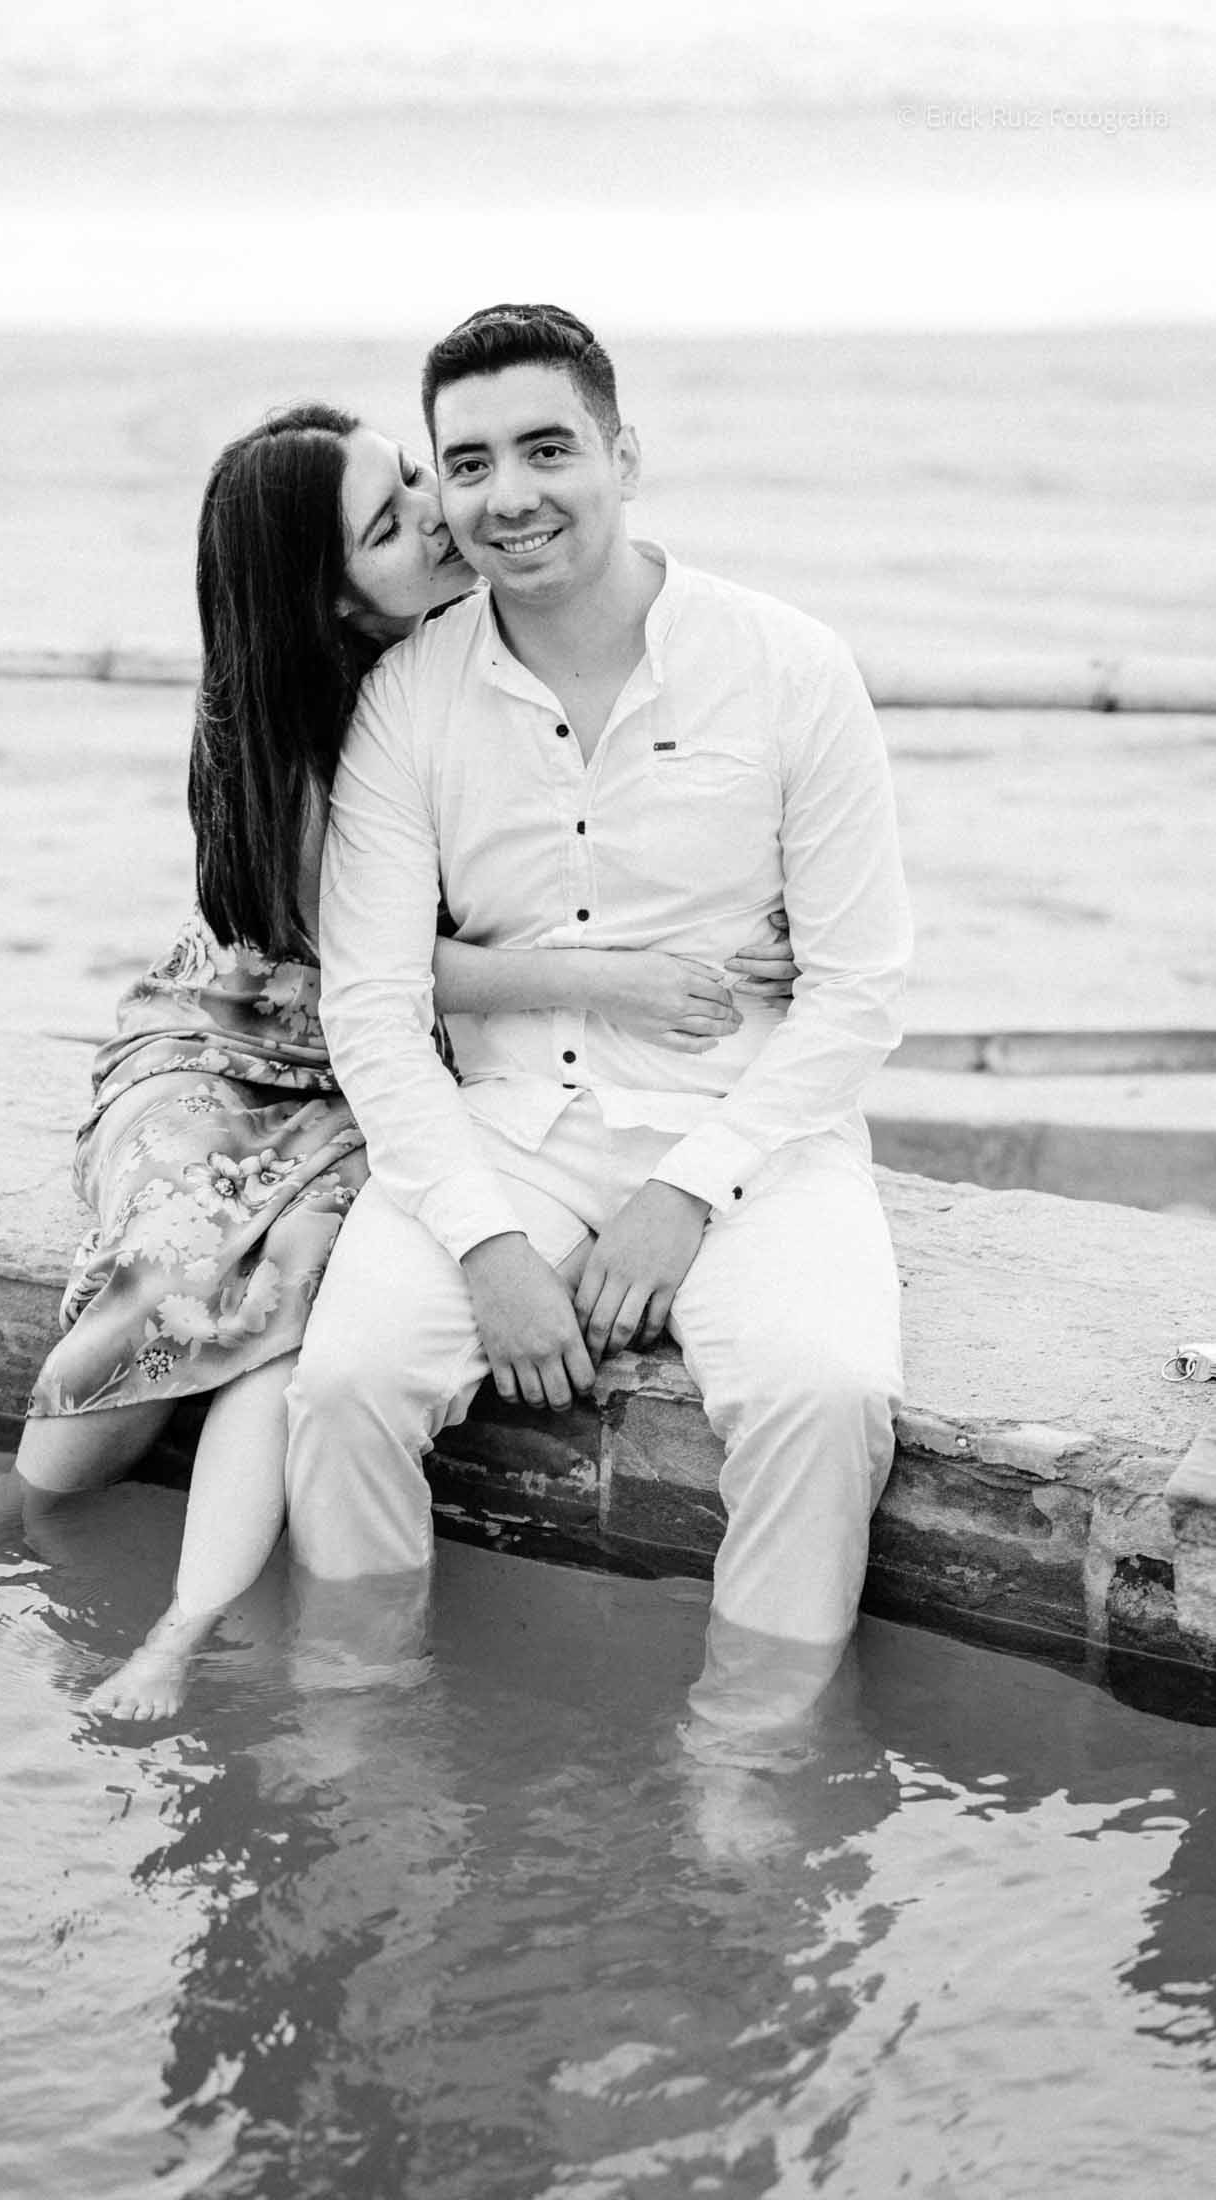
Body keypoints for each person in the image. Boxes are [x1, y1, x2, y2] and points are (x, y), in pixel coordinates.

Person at [0, 399, 800, 1719]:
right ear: (331, 593)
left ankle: (184, 1627)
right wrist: (616, 981)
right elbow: (387, 966)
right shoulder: (296, 737)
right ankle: (22, 1503)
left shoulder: (489, 648)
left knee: (299, 1295)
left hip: (381, 1072)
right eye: (389, 523)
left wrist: (753, 928)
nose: (437, 515)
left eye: (414, 478)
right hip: (231, 1050)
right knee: (181, 1258)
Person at [283, 305, 914, 1721]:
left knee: (822, 1394)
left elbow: (861, 987)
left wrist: (687, 1193)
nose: (508, 495)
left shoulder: (788, 664)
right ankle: (358, 1719)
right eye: (468, 464)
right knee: (346, 1386)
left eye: (547, 448)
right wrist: (485, 1245)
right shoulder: (406, 698)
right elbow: (373, 1007)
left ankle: (751, 1752)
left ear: (624, 455)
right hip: (501, 1126)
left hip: (749, 1128)